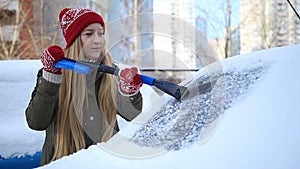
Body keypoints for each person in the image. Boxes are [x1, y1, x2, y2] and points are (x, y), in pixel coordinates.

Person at [25, 7, 143, 166]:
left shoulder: (112, 73)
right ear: (74, 40)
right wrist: (51, 78)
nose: (98, 40)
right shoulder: (54, 74)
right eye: (89, 34)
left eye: (100, 33)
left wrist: (128, 92)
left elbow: (133, 115)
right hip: (61, 163)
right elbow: (36, 122)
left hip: (106, 164)